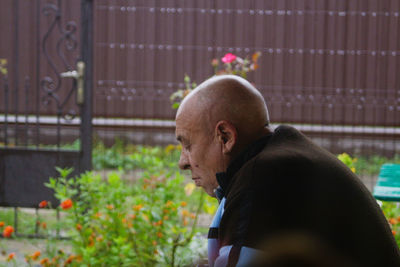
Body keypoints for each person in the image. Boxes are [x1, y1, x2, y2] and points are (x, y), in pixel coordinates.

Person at [175, 75, 400, 267]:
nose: (182, 162)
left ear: (225, 137)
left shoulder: (264, 177)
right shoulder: (277, 162)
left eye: (188, 145)